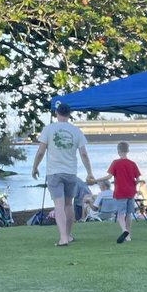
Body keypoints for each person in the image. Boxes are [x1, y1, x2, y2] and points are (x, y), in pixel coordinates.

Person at [31, 102, 96, 246]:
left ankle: (63, 238)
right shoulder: (76, 131)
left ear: (56, 113)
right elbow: (84, 154)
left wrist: (35, 167)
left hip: (54, 172)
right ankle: (68, 234)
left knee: (58, 205)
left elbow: (41, 151)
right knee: (69, 204)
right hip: (71, 172)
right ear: (69, 114)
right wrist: (89, 172)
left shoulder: (49, 129)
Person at [107, 141, 142, 244]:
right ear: (128, 151)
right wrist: (134, 185)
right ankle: (128, 235)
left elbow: (109, 176)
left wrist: (96, 180)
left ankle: (124, 230)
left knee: (121, 214)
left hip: (120, 191)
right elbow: (138, 179)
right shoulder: (132, 164)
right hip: (131, 191)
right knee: (129, 213)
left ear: (118, 151)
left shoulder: (115, 163)